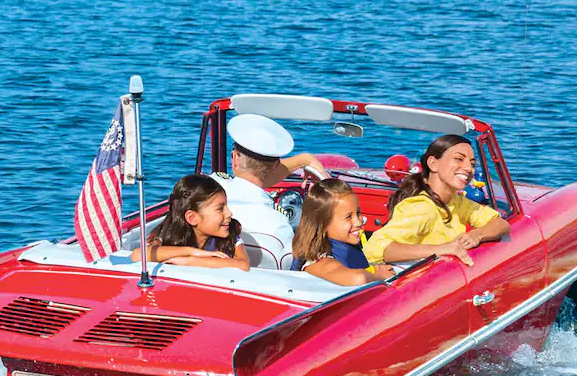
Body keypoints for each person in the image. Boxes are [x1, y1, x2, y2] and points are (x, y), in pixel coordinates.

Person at [363, 134, 510, 267]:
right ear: (433, 164)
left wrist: (477, 235)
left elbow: (501, 224)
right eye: (459, 159)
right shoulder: (422, 208)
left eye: (472, 163)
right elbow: (373, 248)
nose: (468, 168)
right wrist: (441, 249)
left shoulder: (456, 201)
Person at [218, 113, 329, 269]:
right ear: (276, 165)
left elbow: (252, 178)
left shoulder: (210, 190)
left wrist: (303, 160)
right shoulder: (279, 226)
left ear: (235, 158)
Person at [293, 179, 398, 286]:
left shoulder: (346, 245)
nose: (359, 222)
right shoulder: (318, 261)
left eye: (358, 213)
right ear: (323, 224)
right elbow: (358, 279)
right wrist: (378, 276)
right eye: (349, 217)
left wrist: (374, 270)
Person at [144, 174, 250, 269]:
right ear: (192, 218)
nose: (229, 213)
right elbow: (139, 255)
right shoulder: (166, 232)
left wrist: (192, 261)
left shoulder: (230, 231)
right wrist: (192, 252)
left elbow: (243, 265)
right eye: (220, 209)